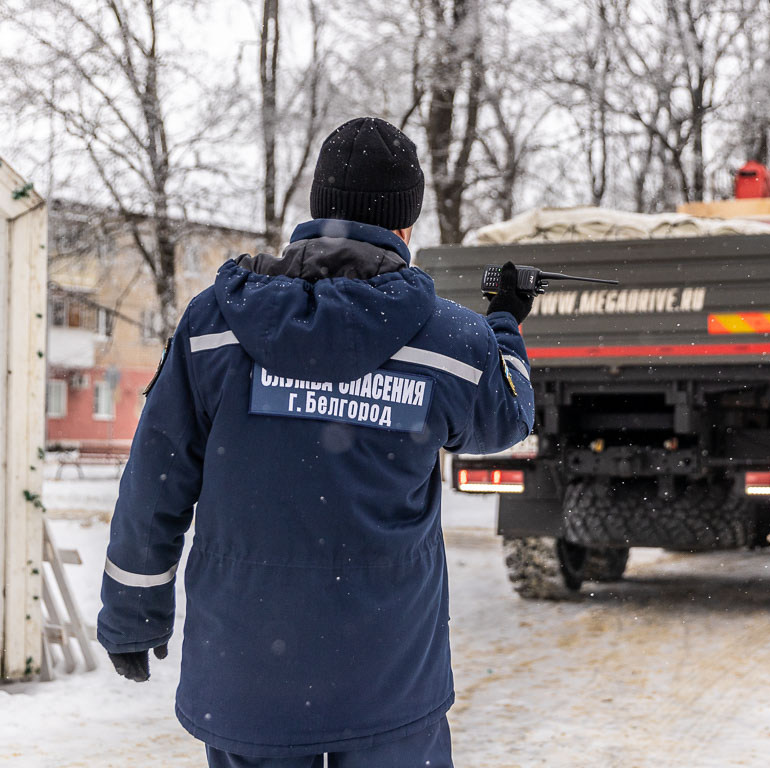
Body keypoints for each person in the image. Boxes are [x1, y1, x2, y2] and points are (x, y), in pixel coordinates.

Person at [97, 117, 535, 768]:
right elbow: (510, 419)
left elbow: (156, 478)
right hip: (389, 682)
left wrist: (134, 608)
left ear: (316, 208)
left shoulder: (215, 328)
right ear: (406, 226)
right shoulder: (452, 343)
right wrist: (505, 323)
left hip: (248, 677)